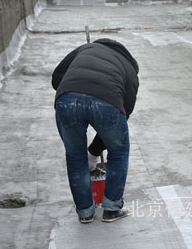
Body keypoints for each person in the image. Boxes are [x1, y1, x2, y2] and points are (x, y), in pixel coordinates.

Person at [52, 38, 139, 224]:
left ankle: (85, 212)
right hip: (105, 101)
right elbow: (123, 115)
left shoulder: (85, 48)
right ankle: (112, 209)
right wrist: (96, 150)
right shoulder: (130, 71)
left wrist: (92, 151)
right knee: (119, 152)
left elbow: (56, 77)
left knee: (75, 156)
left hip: (66, 99)